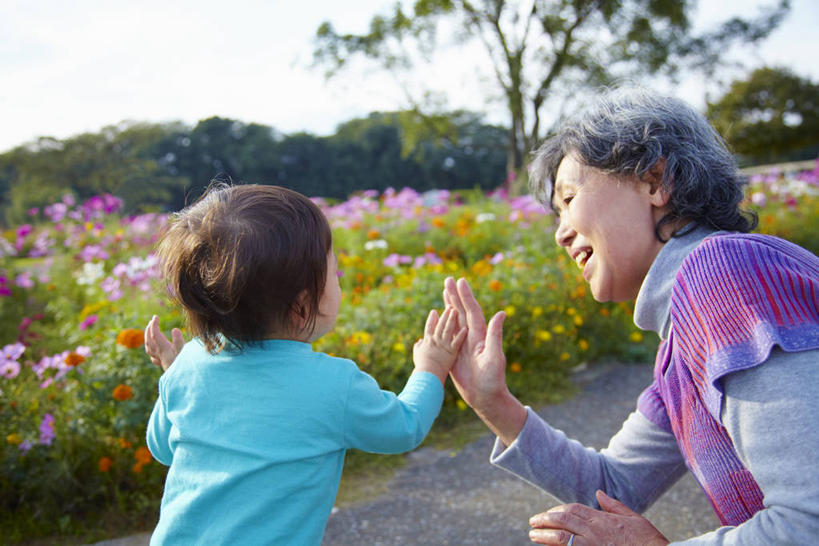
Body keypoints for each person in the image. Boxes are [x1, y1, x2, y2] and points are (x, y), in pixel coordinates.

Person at [443, 87, 819, 545]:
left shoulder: (724, 273)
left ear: (656, 181)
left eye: (569, 198)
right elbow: (614, 487)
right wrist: (492, 403)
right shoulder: (681, 348)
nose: (560, 234)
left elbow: (808, 523)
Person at [143, 184, 466, 545]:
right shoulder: (333, 384)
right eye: (334, 272)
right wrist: (431, 366)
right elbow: (403, 427)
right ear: (302, 306)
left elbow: (163, 447)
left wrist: (171, 376)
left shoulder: (187, 365)